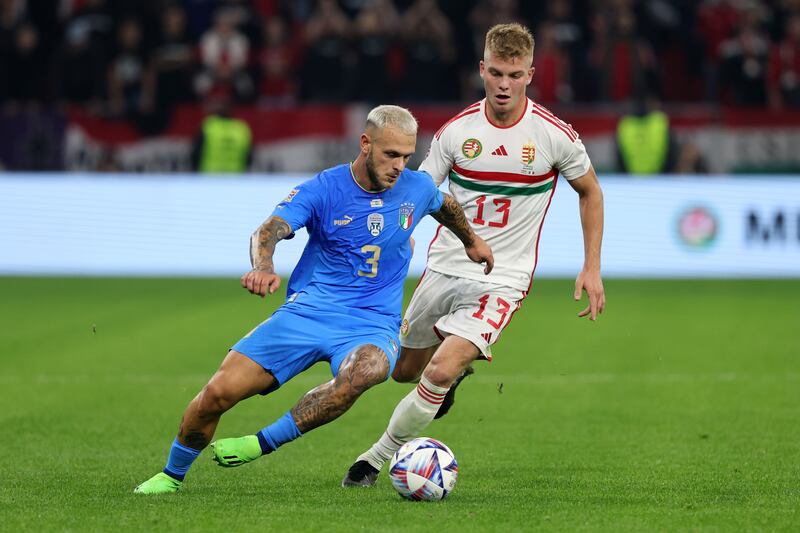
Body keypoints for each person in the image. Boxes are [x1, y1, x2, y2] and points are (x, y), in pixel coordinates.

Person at [134, 105, 493, 494]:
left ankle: (262, 442)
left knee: (367, 370)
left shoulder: (416, 188)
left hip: (372, 322)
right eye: (391, 155)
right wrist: (264, 266)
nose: (399, 166)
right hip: (308, 311)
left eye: (407, 156)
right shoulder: (324, 188)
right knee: (216, 395)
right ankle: (172, 475)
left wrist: (471, 241)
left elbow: (446, 206)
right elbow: (269, 229)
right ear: (365, 143)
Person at [342, 23, 605, 487]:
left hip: (504, 278)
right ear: (482, 70)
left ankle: (374, 459)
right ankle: (451, 376)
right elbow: (419, 192)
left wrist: (592, 266)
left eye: (516, 75)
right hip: (443, 266)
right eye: (497, 73)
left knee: (440, 369)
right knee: (405, 372)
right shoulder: (456, 132)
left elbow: (590, 192)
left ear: (531, 75)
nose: (505, 85)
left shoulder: (553, 135)